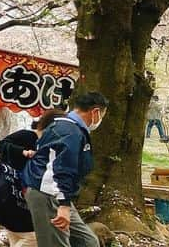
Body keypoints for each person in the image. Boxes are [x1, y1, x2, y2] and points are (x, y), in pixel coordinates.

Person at [23, 92, 107, 247]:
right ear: (95, 112)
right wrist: (64, 205)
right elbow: (62, 169)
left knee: (88, 242)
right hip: (49, 193)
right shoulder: (70, 131)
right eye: (102, 115)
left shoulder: (66, 126)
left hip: (57, 192)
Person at [0, 110, 64, 247]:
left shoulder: (48, 146)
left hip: (24, 196)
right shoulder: (28, 136)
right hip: (11, 191)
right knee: (33, 237)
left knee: (18, 236)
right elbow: (2, 145)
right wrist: (24, 152)